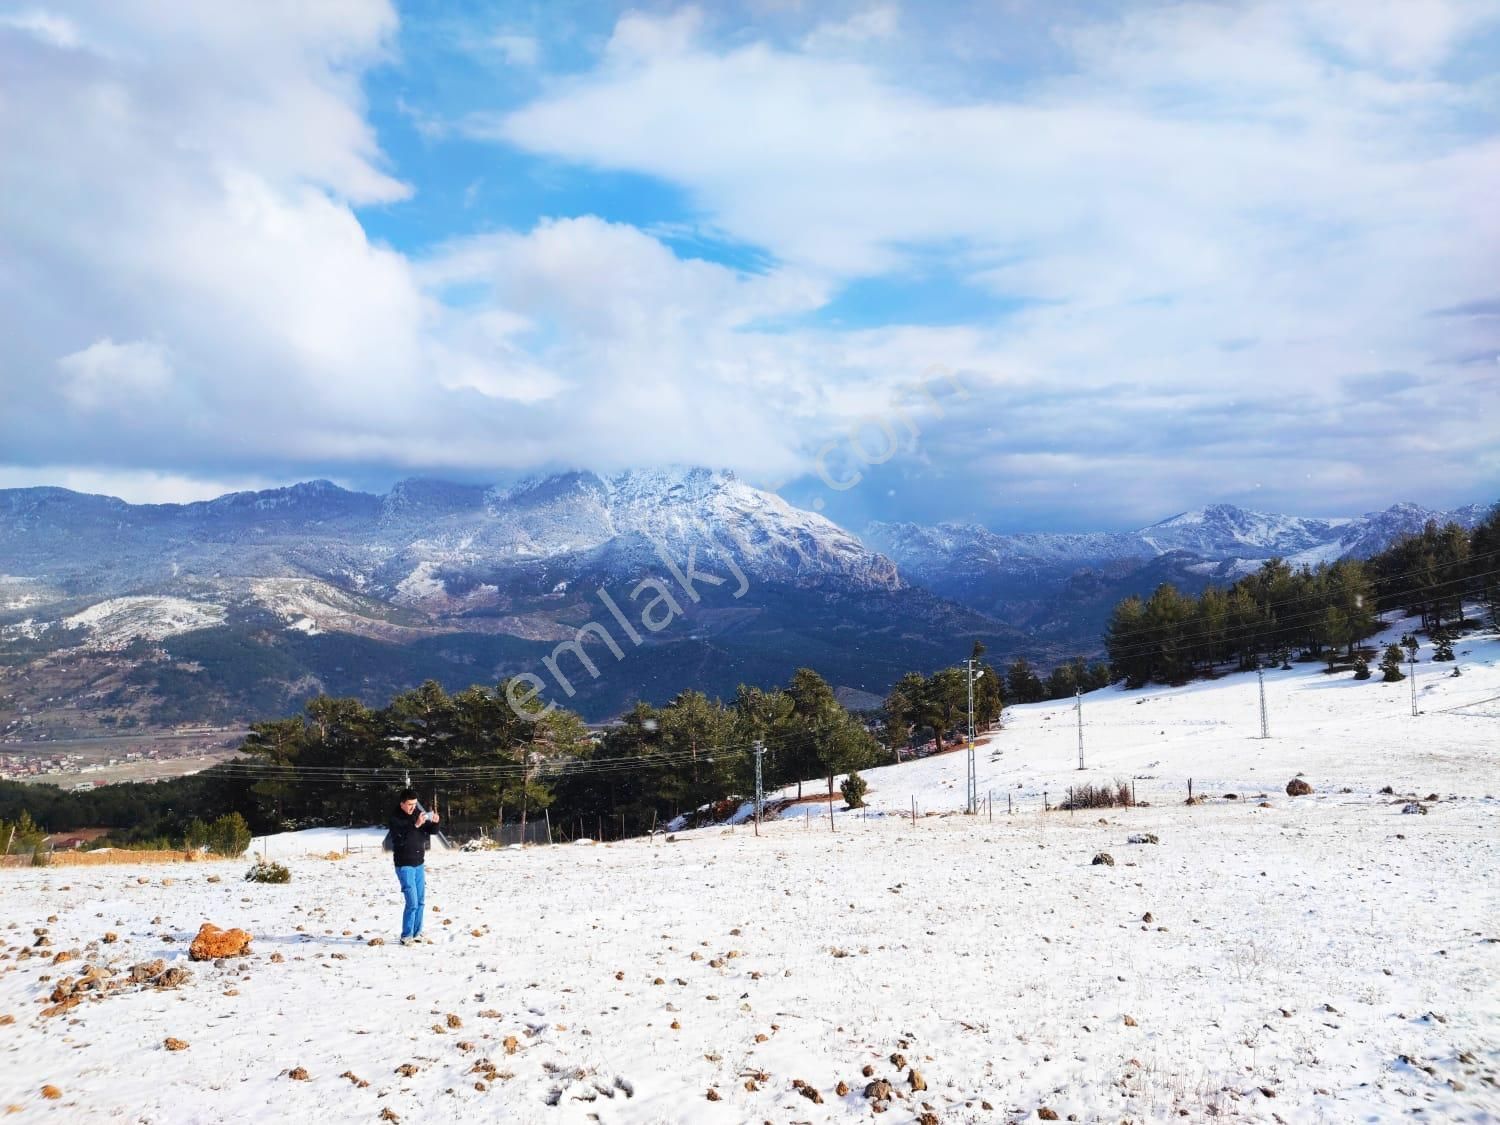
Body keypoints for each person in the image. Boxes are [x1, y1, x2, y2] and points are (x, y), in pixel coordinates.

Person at [389, 788, 439, 945]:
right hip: (404, 866)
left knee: (421, 902)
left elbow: (431, 831)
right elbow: (401, 838)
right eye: (410, 804)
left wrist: (436, 822)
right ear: (402, 803)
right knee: (412, 902)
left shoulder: (417, 813)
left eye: (415, 804)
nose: (413, 807)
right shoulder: (395, 818)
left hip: (419, 864)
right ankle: (406, 936)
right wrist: (415, 825)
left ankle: (417, 933)